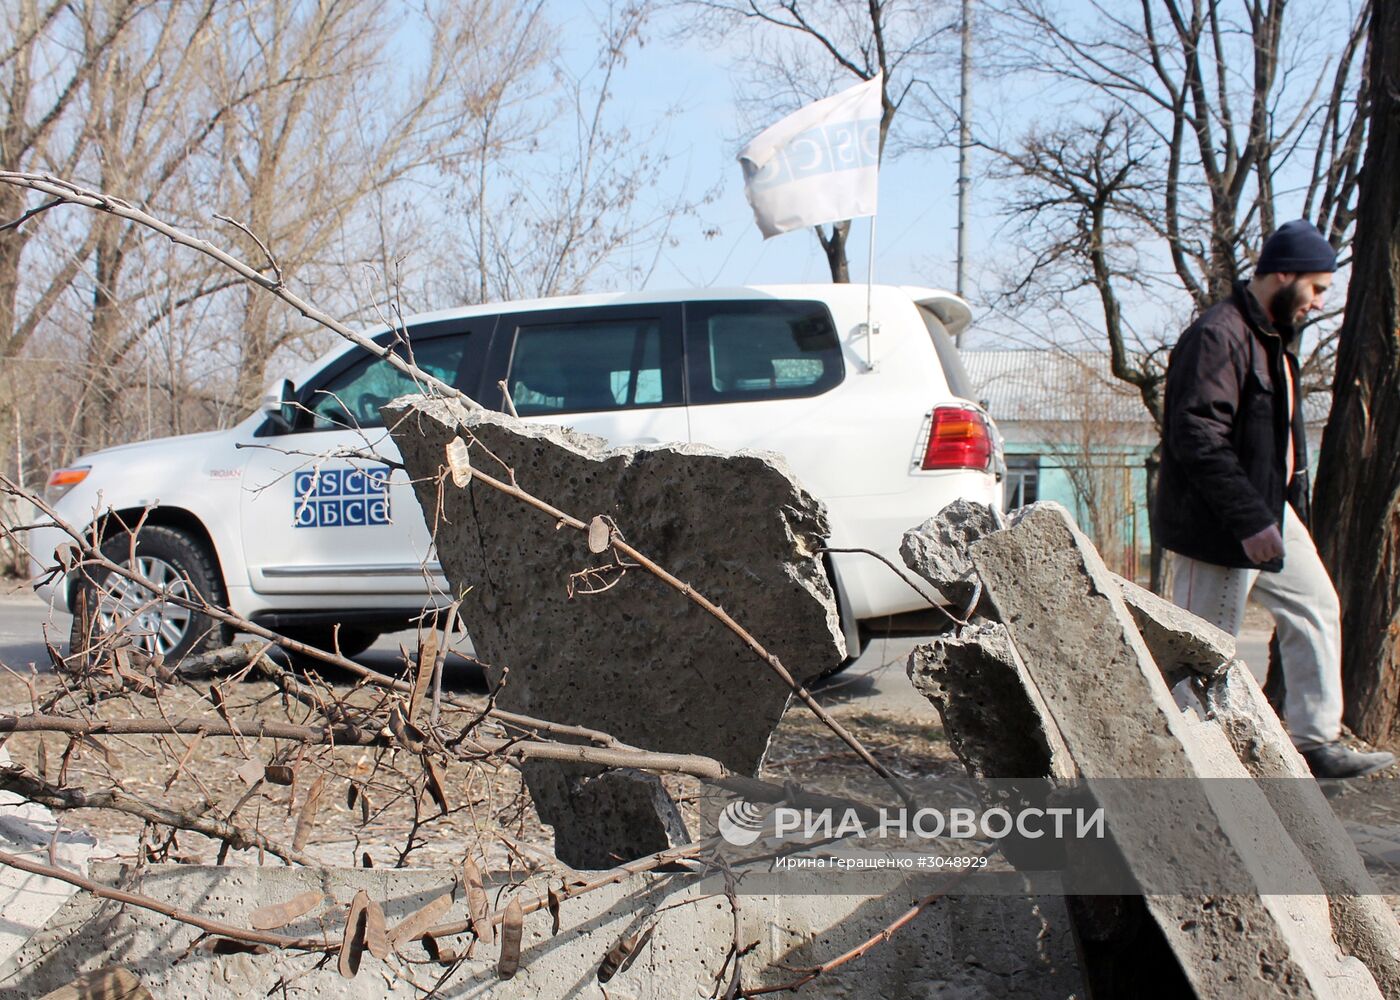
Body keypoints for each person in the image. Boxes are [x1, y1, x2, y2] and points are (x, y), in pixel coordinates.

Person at [1154, 219, 1394, 780]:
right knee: (1201, 649)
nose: (1317, 302)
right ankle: (1181, 765)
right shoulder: (1220, 334)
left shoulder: (1271, 340)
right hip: (1217, 525)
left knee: (1316, 607)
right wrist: (1248, 520)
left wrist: (1277, 511)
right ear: (1283, 274)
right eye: (1316, 289)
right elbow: (1197, 436)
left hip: (1268, 511)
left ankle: (1315, 742)